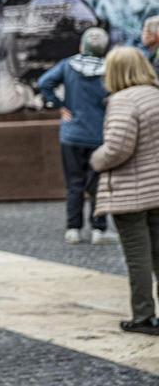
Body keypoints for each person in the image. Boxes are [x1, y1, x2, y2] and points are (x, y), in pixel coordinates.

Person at [91, 47, 159, 335]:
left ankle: (143, 316)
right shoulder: (155, 95)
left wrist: (97, 159)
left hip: (131, 192)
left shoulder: (123, 101)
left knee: (138, 256)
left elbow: (118, 147)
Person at [39, 27, 114, 245]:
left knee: (74, 184)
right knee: (98, 185)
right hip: (99, 135)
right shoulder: (108, 69)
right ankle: (99, 229)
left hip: (71, 135)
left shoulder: (68, 65)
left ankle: (73, 229)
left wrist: (59, 105)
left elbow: (45, 83)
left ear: (82, 45)